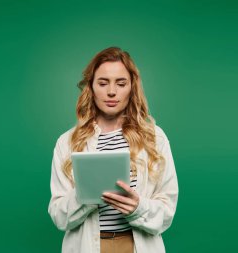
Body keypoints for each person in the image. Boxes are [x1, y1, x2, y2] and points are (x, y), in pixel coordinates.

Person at [48, 47, 179, 253]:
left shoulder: (154, 138)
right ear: (91, 87)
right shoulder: (67, 142)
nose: (111, 91)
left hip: (137, 246)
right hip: (87, 246)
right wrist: (86, 193)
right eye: (102, 83)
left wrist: (138, 208)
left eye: (121, 83)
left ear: (132, 87)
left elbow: (167, 211)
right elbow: (58, 217)